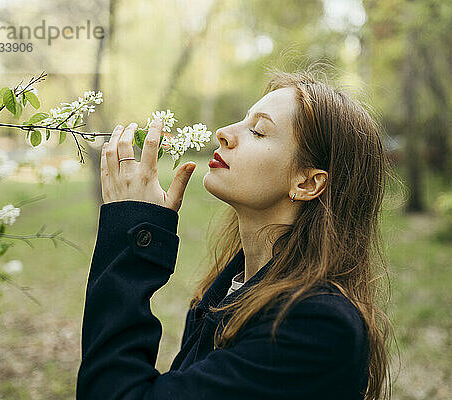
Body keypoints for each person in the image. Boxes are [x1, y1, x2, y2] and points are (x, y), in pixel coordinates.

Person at [76, 69, 394, 399]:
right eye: (242, 121)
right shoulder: (229, 290)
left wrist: (133, 238)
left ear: (307, 183)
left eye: (257, 131)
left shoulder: (316, 325)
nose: (223, 133)